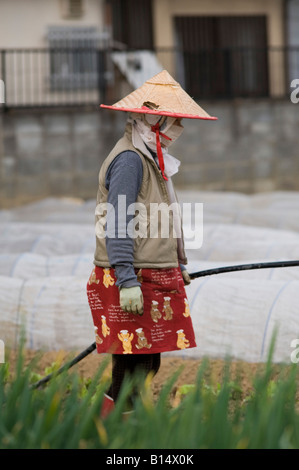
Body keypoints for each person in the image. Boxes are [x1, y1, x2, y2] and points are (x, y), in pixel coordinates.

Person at [86, 70, 217, 417]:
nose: (177, 128)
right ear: (152, 117)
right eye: (173, 121)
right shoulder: (130, 160)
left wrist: (176, 264)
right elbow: (118, 222)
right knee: (137, 364)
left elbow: (158, 220)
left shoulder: (150, 159)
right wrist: (127, 279)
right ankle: (120, 426)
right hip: (134, 278)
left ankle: (115, 422)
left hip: (152, 274)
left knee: (140, 363)